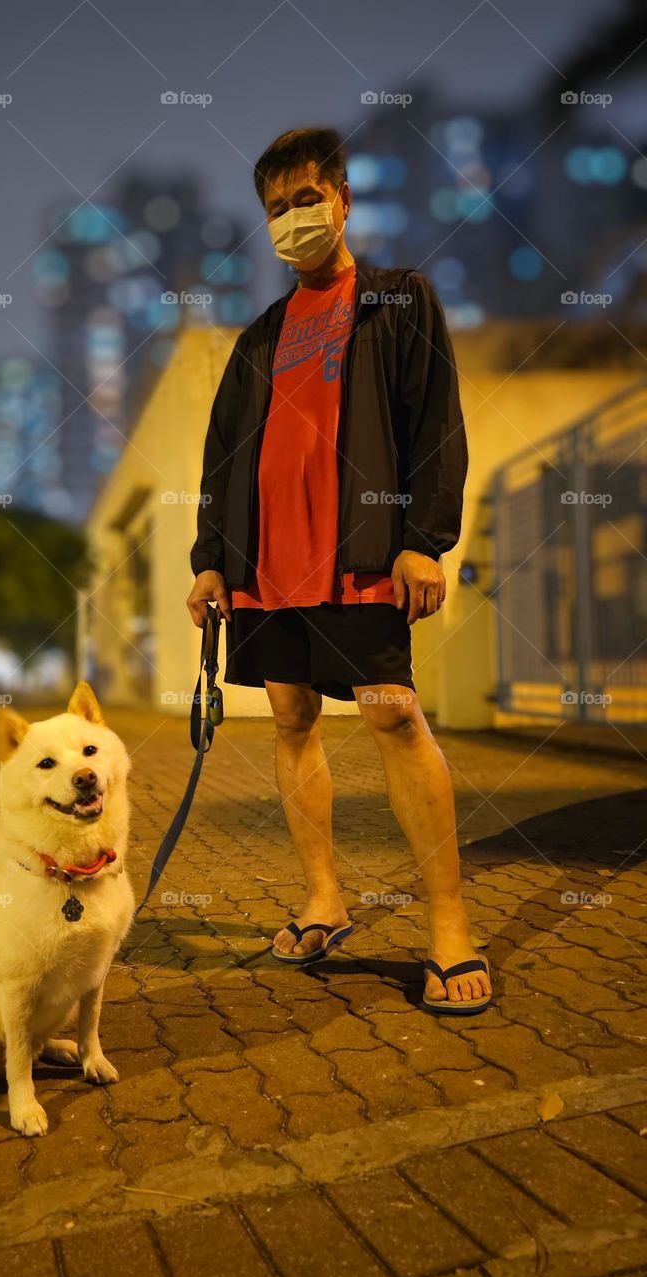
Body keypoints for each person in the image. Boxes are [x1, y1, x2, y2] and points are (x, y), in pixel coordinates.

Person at [185, 127, 490, 1014]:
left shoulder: (399, 301)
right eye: (277, 208)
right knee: (290, 717)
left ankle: (449, 926)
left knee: (393, 717)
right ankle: (324, 897)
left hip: (358, 551)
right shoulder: (260, 335)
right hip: (265, 562)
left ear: (344, 200)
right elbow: (222, 456)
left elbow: (436, 421)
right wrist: (211, 561)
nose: (292, 220)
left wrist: (423, 539)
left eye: (306, 200)